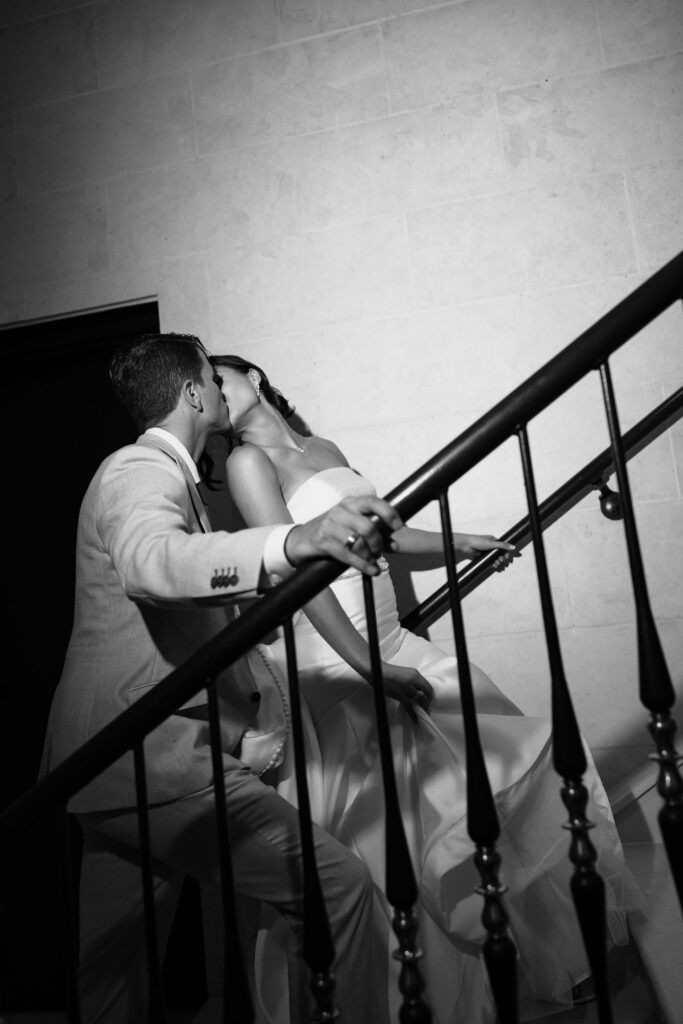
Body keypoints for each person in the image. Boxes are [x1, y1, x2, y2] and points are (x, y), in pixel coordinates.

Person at [210, 354, 643, 1024]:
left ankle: (496, 980)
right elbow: (300, 581)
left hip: (388, 638)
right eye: (204, 384)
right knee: (386, 832)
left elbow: (382, 534)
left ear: (256, 379)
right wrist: (368, 668)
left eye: (220, 377)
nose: (212, 390)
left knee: (470, 782)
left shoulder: (322, 446)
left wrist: (457, 540)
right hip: (336, 660)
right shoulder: (246, 464)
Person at [40, 333, 406, 1024]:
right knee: (342, 890)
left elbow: (169, 622)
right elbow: (154, 563)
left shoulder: (170, 478)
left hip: (106, 767)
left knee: (113, 971)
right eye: (211, 376)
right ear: (192, 394)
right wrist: (291, 540)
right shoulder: (138, 469)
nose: (218, 387)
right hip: (156, 765)